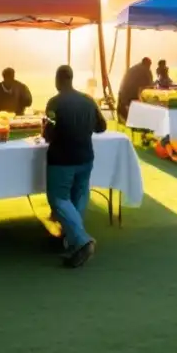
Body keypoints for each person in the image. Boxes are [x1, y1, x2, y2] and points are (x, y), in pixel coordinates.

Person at [44, 65, 107, 268]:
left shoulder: (54, 103)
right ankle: (72, 239)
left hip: (62, 159)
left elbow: (49, 133)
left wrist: (47, 131)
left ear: (58, 80)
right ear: (71, 78)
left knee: (59, 199)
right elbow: (102, 127)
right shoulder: (88, 101)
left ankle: (81, 240)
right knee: (79, 195)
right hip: (85, 157)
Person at [117, 57, 154, 121]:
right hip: (131, 99)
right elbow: (150, 87)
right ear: (148, 64)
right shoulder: (146, 70)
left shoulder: (132, 68)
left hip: (122, 98)